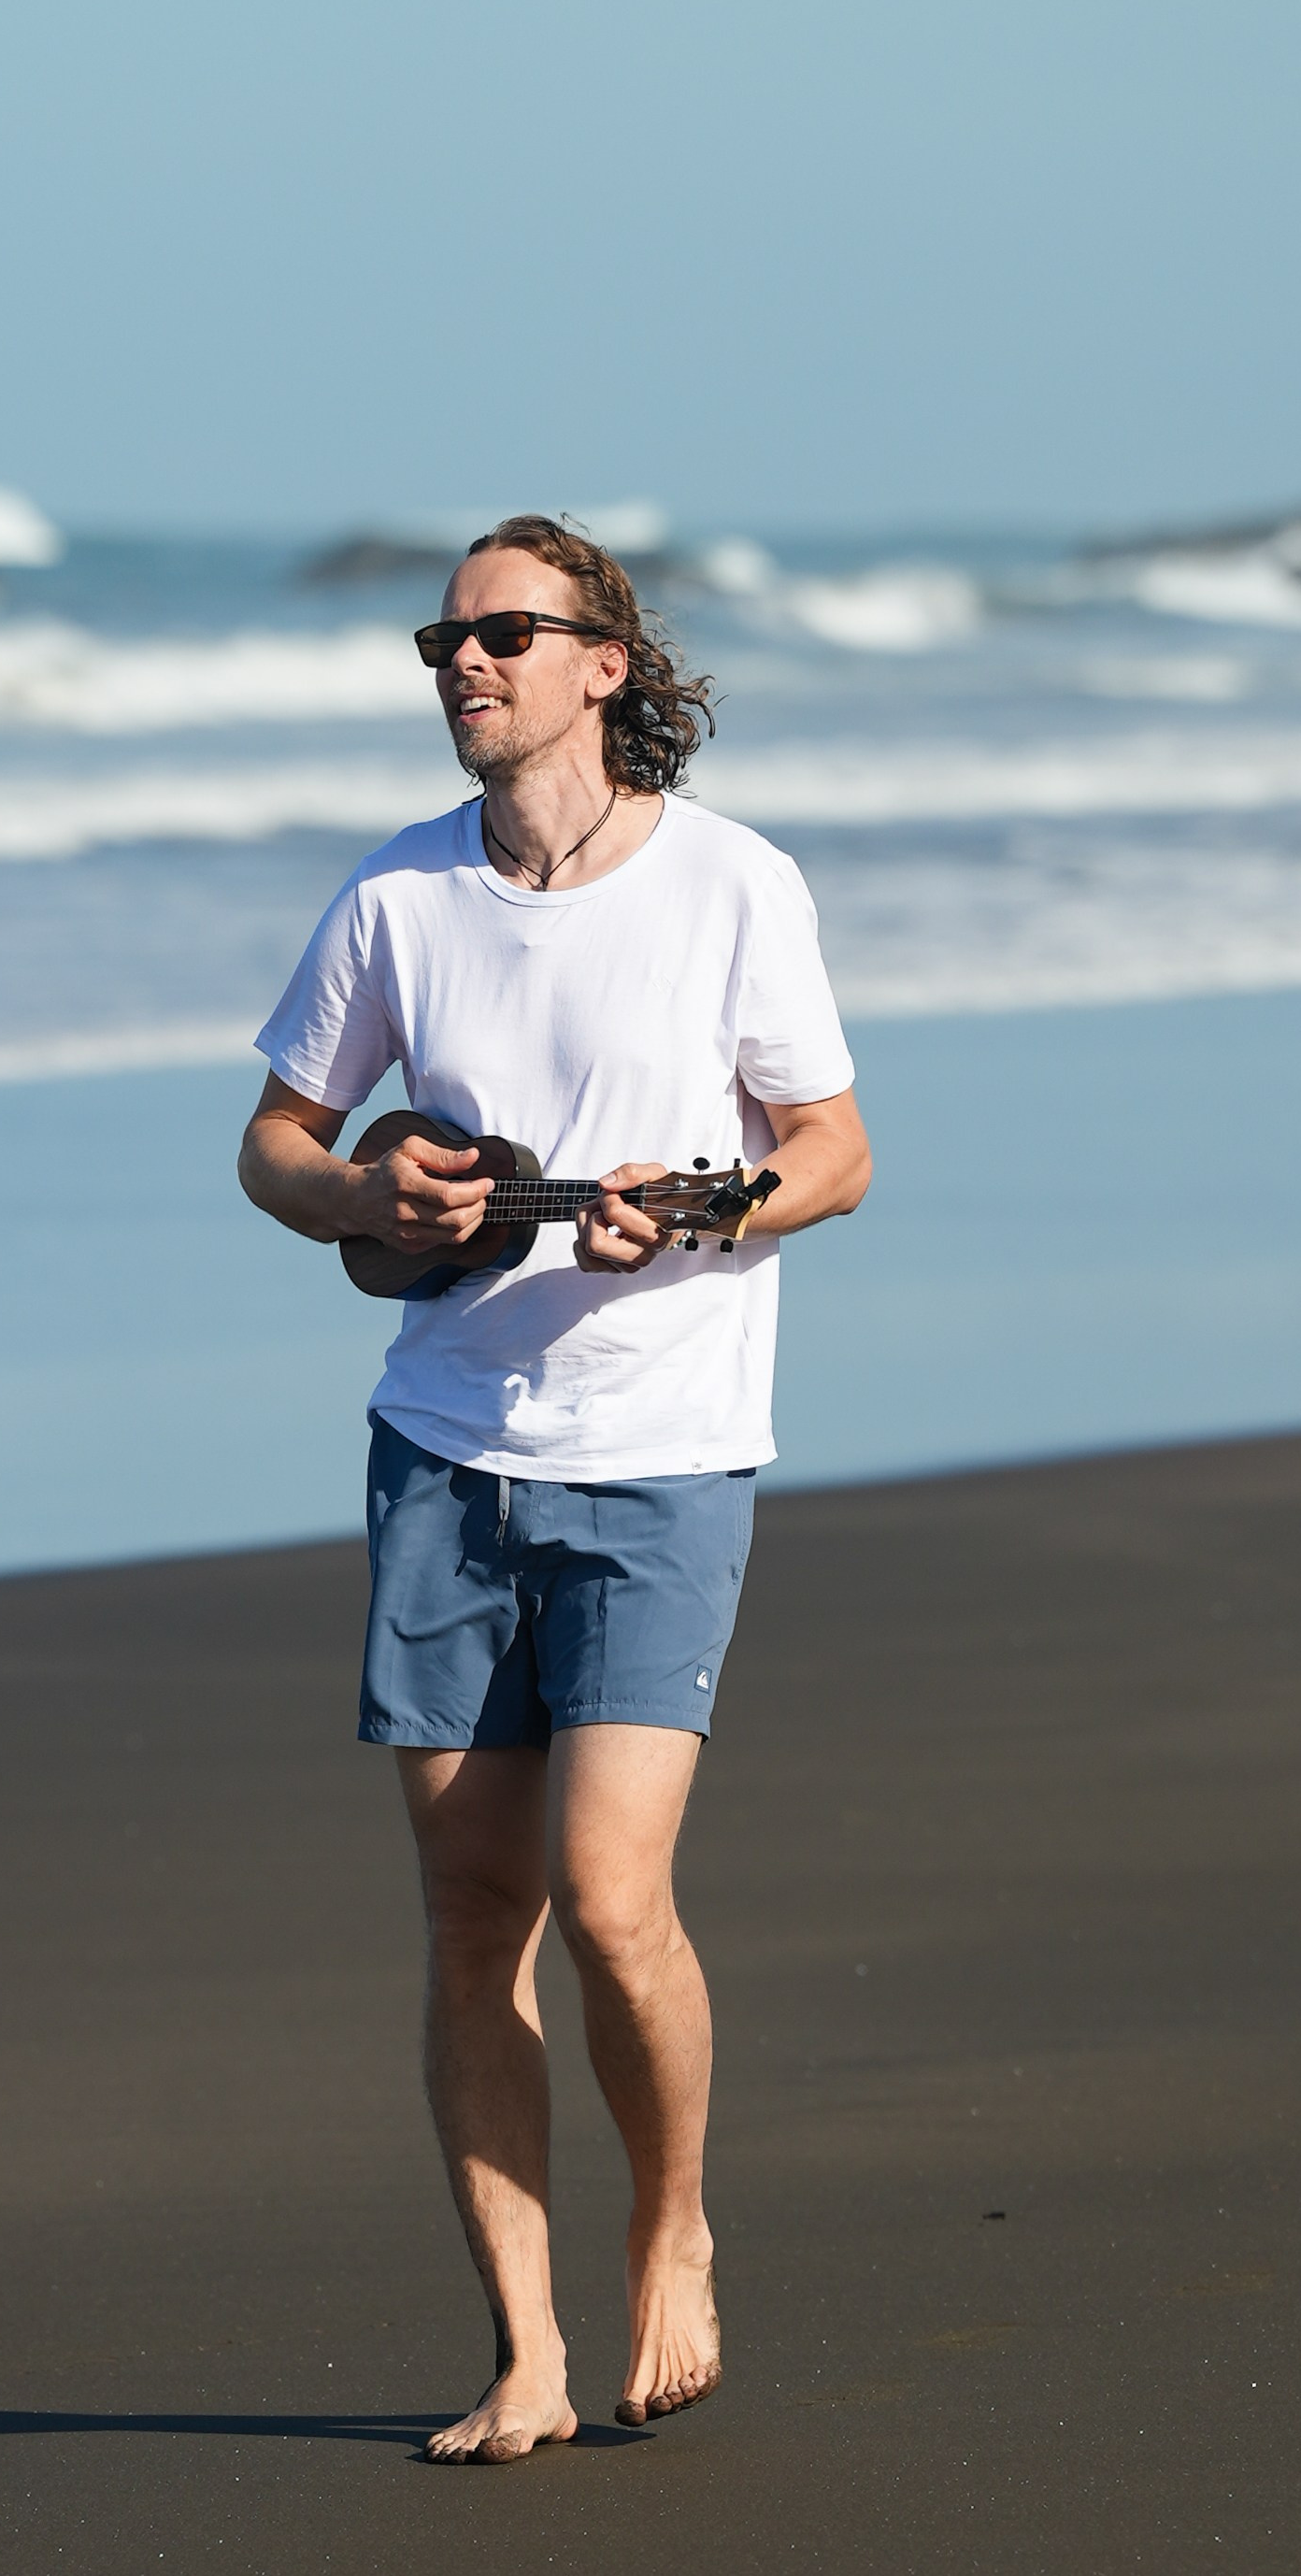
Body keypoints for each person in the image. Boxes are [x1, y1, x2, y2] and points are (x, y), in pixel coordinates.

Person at [238, 514, 871, 2463]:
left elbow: (834, 1150)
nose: (464, 664)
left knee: (609, 1900)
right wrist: (362, 1191)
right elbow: (275, 1143)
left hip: (663, 1454)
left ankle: (670, 2223)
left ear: (606, 661)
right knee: (468, 1916)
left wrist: (699, 1211)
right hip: (444, 1461)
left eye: (504, 632)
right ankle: (522, 2351)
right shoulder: (398, 901)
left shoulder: (731, 885)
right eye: (443, 639)